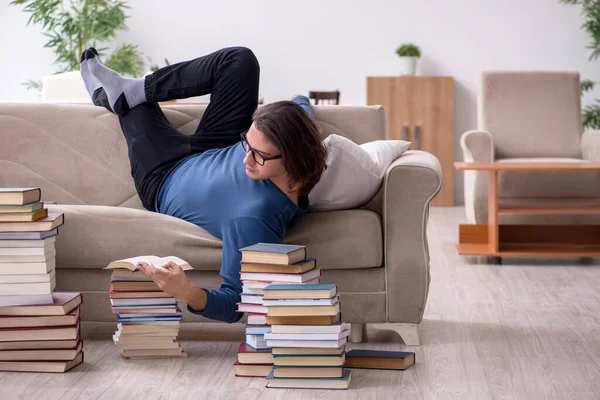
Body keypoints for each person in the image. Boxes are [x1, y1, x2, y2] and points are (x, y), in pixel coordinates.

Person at [79, 46, 327, 323]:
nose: (246, 159)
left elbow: (236, 302)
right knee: (240, 60)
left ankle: (104, 95)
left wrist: (186, 291)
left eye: (258, 155)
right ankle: (142, 87)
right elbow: (300, 106)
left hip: (164, 175)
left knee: (131, 106)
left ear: (291, 158)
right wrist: (297, 102)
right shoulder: (295, 142)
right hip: (213, 147)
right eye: (247, 143)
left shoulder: (254, 220)